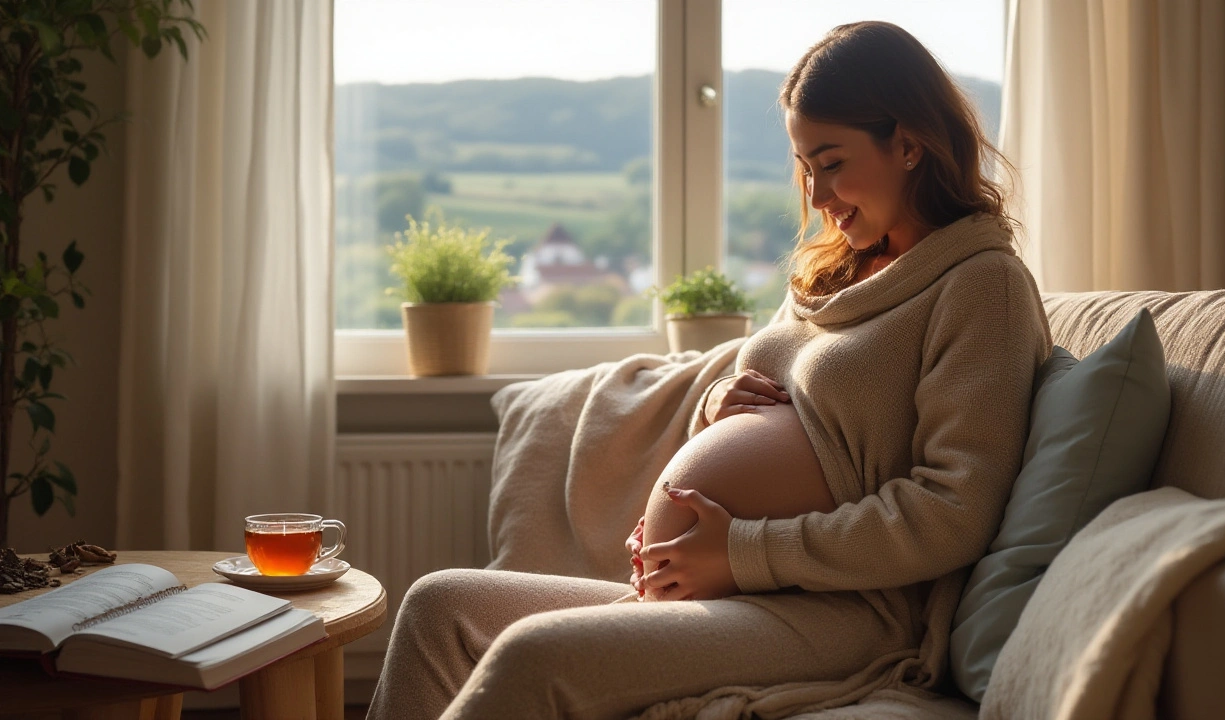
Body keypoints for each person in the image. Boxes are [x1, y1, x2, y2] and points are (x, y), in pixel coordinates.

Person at [368, 20, 1052, 719]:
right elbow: (790, 407)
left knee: (531, 657)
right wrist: (721, 399)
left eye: (832, 161)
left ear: (909, 144)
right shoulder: (838, 274)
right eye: (804, 166)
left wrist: (745, 550)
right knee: (438, 608)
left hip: (842, 613)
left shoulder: (980, 285)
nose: (816, 195)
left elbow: (953, 511)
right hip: (731, 585)